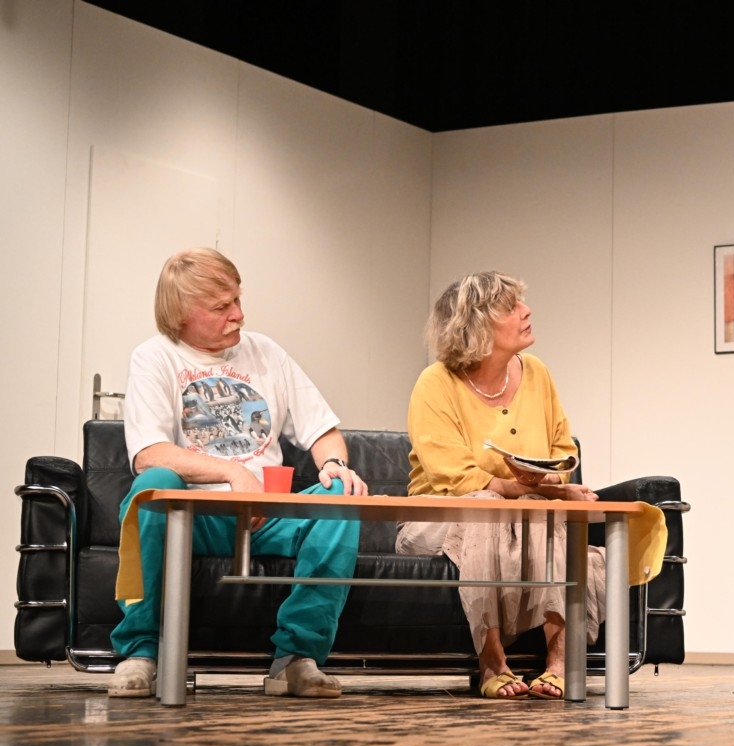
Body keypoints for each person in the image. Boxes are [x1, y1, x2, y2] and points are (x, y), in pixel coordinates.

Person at [108, 247, 368, 699]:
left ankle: (296, 659)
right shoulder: (154, 357)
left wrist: (334, 463)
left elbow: (323, 429)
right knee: (152, 486)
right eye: (221, 307)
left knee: (340, 497)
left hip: (267, 515)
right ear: (181, 314)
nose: (238, 315)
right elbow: (149, 453)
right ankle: (141, 653)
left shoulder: (267, 352)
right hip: (195, 516)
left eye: (237, 300)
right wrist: (232, 473)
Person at [396, 271, 605, 699]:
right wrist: (541, 491)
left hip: (521, 513)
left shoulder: (538, 373)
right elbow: (453, 476)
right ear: (475, 324)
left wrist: (550, 480)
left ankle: (560, 664)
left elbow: (563, 450)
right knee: (487, 506)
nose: (526, 311)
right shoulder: (435, 383)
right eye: (511, 307)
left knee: (541, 515)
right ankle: (491, 661)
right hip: (439, 516)